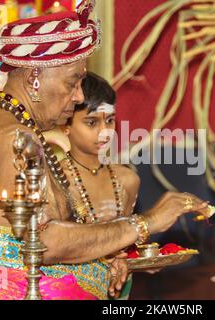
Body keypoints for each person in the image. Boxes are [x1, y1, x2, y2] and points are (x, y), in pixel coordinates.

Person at [0, 1, 208, 300]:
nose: (77, 97)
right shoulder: (15, 136)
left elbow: (26, 238)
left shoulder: (4, 123)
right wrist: (146, 223)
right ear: (34, 76)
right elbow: (44, 242)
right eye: (72, 82)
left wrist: (102, 258)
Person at [62, 72, 141, 298]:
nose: (104, 132)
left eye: (109, 120)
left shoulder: (128, 180)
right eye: (91, 122)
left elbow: (124, 244)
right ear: (65, 124)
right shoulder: (56, 178)